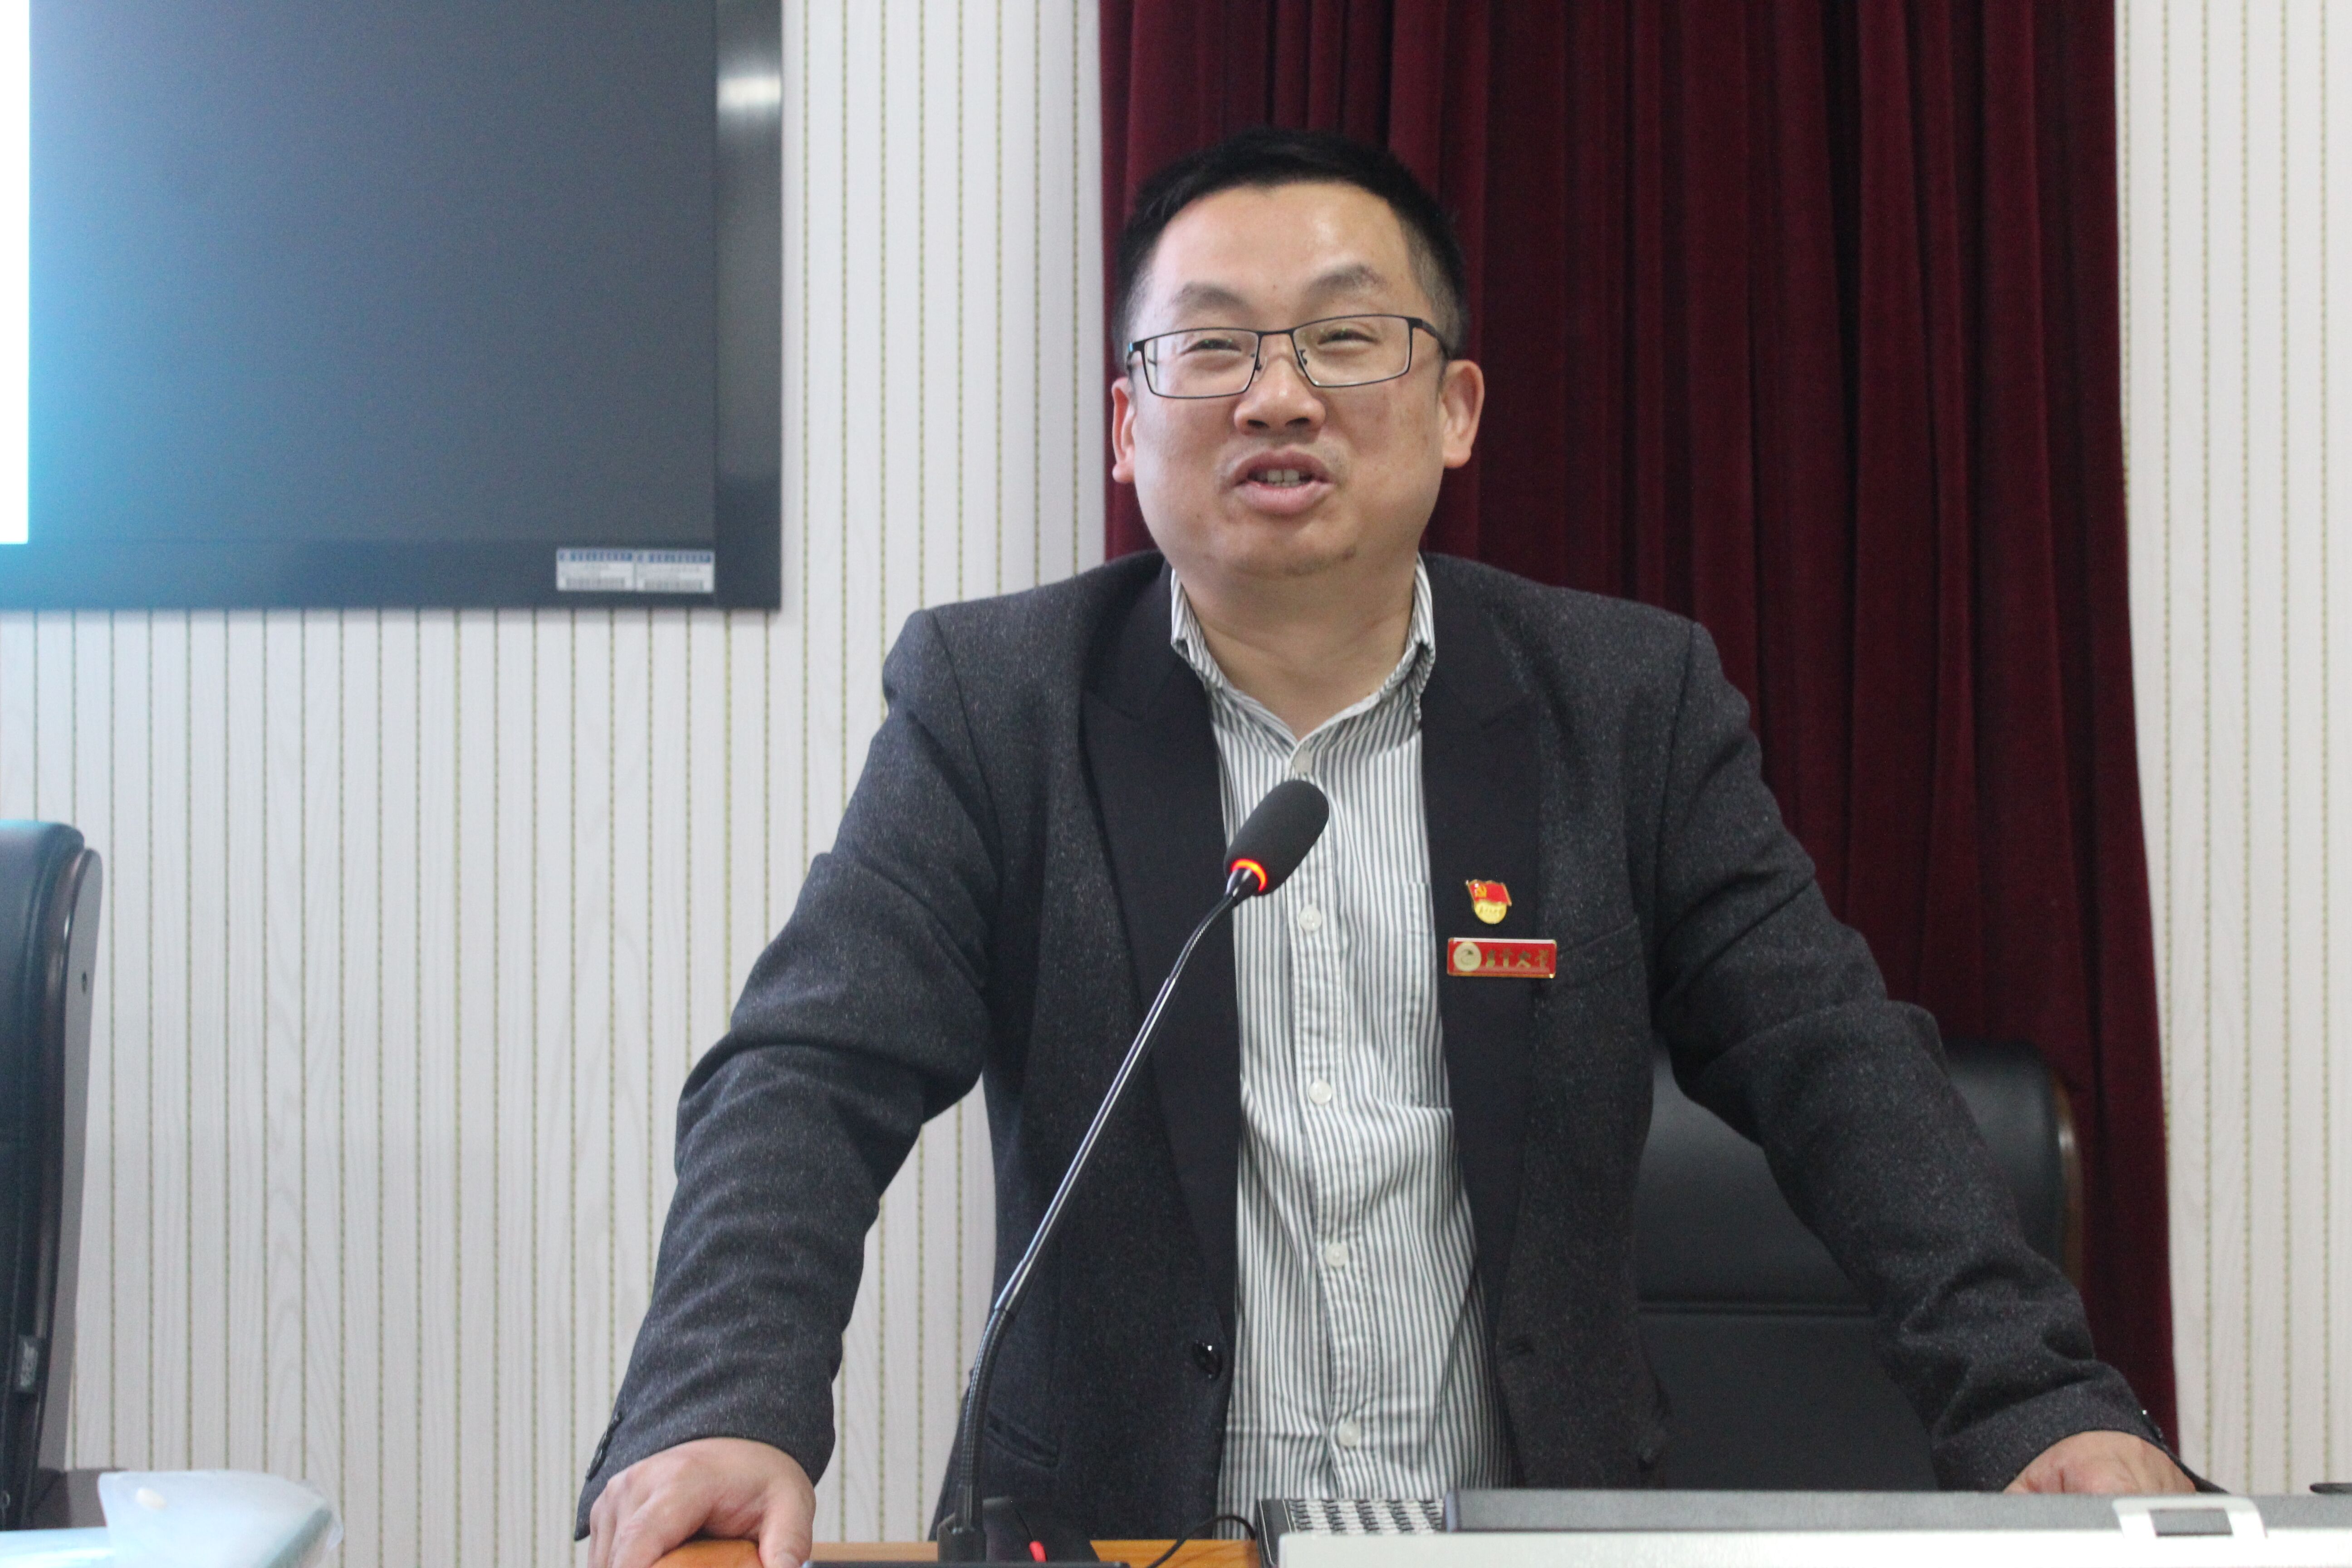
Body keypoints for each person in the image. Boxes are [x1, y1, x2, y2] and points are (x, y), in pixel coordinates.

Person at [581, 127, 2192, 1568]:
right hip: (1129, 1539)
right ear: (1128, 426)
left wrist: (2035, 1401)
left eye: (1346, 338)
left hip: (1524, 1540)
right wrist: (726, 1401)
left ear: (1456, 408)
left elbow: (1832, 1061)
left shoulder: (1623, 704)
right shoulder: (997, 706)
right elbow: (808, 1073)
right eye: (1211, 346)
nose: (1278, 395)